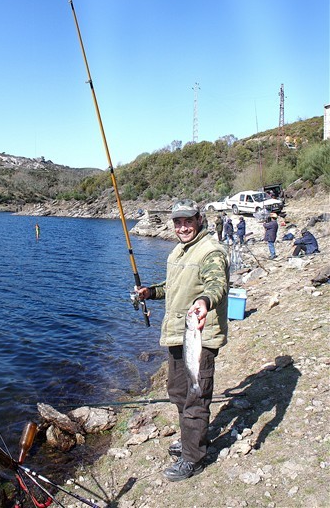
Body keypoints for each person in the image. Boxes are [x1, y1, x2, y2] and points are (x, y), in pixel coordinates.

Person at [136, 199, 230, 482]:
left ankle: (194, 458)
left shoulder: (211, 251)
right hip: (177, 334)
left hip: (200, 336)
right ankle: (191, 438)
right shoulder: (178, 251)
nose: (183, 226)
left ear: (199, 220)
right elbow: (173, 287)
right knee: (178, 391)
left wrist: (204, 301)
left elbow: (217, 285)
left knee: (196, 395)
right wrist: (150, 292)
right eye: (178, 222)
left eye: (188, 220)